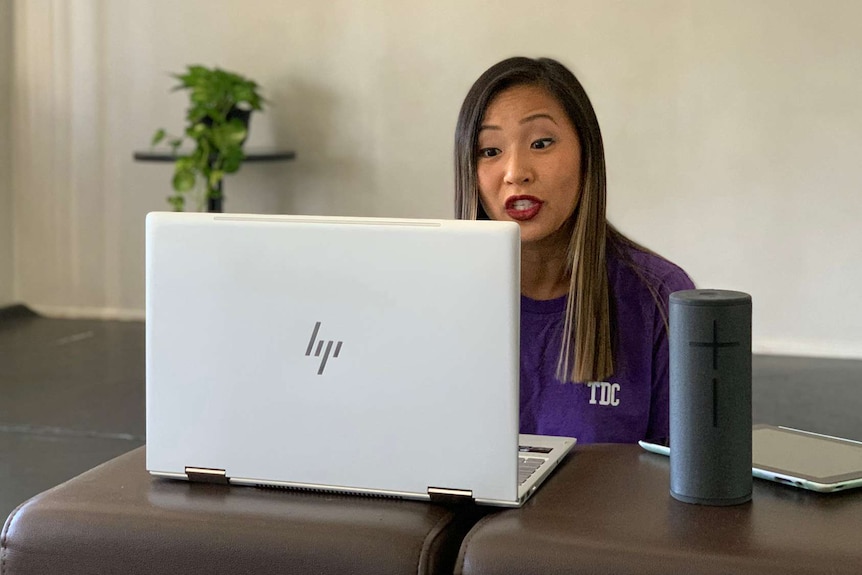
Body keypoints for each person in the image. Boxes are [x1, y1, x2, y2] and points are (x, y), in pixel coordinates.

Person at [454, 57, 695, 444]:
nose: (516, 172)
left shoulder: (659, 297)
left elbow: (686, 483)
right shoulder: (440, 294)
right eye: (489, 151)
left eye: (541, 143)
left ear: (587, 154)